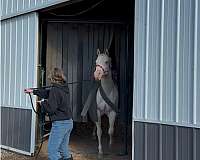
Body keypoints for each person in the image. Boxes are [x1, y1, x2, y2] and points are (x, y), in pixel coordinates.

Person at [25, 67, 73, 160]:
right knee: (63, 149)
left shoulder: (55, 90)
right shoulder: (64, 88)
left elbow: (51, 108)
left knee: (52, 151)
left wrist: (42, 103)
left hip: (60, 124)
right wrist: (33, 91)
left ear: (52, 77)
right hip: (69, 122)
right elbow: (48, 93)